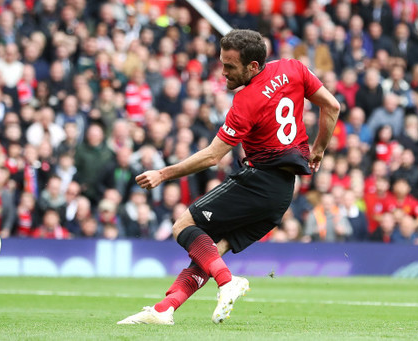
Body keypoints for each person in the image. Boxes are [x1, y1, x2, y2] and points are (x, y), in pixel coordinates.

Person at [117, 29, 340, 325]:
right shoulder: (294, 68)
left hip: (260, 179)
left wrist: (163, 173)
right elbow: (332, 106)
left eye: (230, 66)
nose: (223, 73)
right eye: (222, 63)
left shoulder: (246, 101)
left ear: (253, 67)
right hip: (282, 194)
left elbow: (212, 156)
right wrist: (319, 149)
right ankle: (164, 309)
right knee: (210, 252)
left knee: (183, 226)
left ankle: (227, 282)